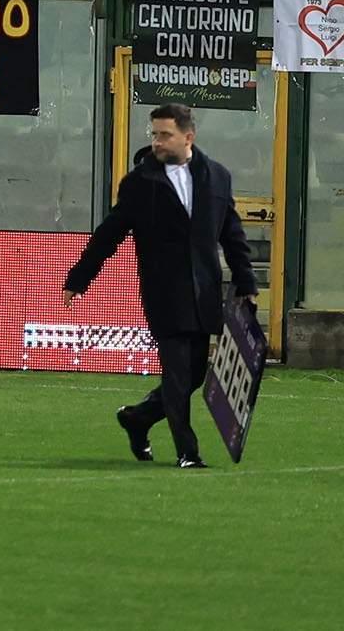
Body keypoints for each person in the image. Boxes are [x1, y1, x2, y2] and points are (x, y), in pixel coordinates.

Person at [59, 102, 257, 468]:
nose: (157, 142)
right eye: (155, 134)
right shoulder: (139, 183)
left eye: (165, 135)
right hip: (164, 293)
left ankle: (139, 418)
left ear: (188, 137)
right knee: (177, 375)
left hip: (204, 292)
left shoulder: (217, 177)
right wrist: (80, 278)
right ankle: (187, 452)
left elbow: (232, 234)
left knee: (194, 375)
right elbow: (109, 234)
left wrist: (245, 281)